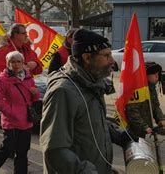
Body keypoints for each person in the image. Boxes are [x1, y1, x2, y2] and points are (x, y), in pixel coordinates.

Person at [40, 29, 132, 173]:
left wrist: (121, 135)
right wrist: (86, 171)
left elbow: (90, 122)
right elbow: (54, 149)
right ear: (87, 58)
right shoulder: (63, 91)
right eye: (106, 56)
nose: (112, 61)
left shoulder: (92, 82)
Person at [0, 51, 40, 173]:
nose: (16, 64)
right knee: (6, 149)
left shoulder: (28, 77)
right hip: (11, 121)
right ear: (8, 63)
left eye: (18, 61)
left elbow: (34, 99)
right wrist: (12, 112)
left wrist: (35, 93)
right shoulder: (2, 79)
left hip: (25, 121)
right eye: (12, 62)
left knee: (22, 152)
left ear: (23, 62)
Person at [126, 62, 165, 137]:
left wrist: (161, 119)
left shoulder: (151, 88)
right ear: (145, 76)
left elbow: (155, 106)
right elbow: (132, 112)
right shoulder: (136, 90)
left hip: (145, 127)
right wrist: (144, 127)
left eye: (158, 74)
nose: (157, 77)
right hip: (134, 130)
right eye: (154, 74)